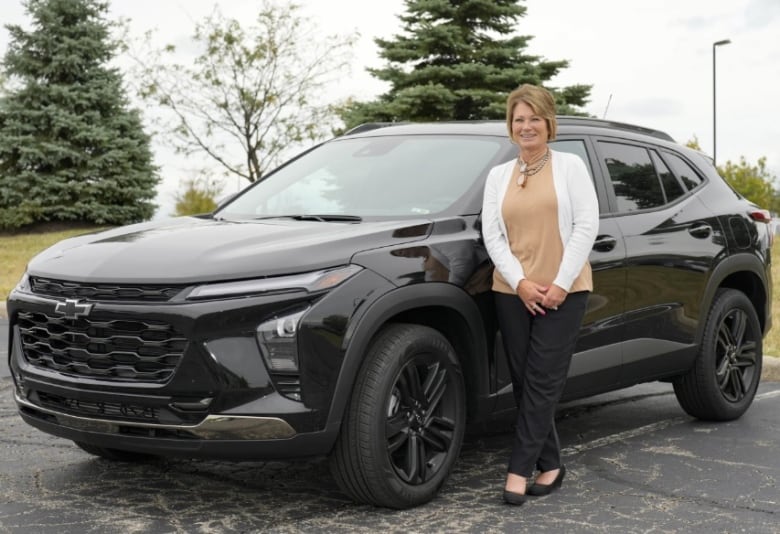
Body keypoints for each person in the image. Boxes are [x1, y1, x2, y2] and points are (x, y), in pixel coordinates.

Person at [481, 84, 599, 505]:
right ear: (510, 126)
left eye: (534, 118)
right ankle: (551, 465)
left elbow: (587, 226)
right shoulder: (498, 176)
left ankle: (518, 470)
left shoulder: (570, 167)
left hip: (564, 292)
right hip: (512, 292)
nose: (526, 126)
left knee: (543, 381)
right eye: (519, 119)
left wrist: (560, 284)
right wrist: (521, 283)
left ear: (549, 123)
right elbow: (492, 235)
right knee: (525, 381)